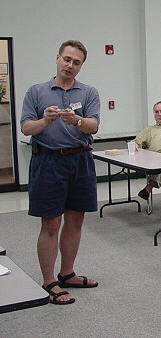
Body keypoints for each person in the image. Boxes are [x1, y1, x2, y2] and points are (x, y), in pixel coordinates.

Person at [20, 40, 100, 305]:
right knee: (51, 223)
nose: (70, 65)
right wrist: (45, 120)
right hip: (48, 162)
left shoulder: (88, 93)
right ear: (57, 58)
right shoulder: (36, 91)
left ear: (81, 66)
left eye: (76, 62)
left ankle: (67, 274)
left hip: (80, 161)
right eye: (67, 59)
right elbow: (26, 129)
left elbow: (93, 126)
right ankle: (49, 281)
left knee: (76, 220)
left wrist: (76, 121)